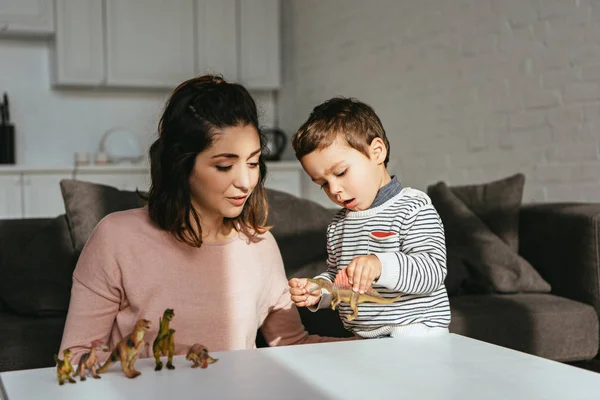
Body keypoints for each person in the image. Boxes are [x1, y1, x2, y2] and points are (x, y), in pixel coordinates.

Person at [59, 75, 346, 364]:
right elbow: (75, 358)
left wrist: (379, 348)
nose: (246, 182)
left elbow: (293, 343)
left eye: (253, 162)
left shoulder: (260, 245)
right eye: (224, 166)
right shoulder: (116, 238)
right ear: (182, 165)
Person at [288, 97, 450, 339]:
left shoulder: (413, 207)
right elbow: (339, 277)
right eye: (323, 184)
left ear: (377, 152)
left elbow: (431, 270)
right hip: (363, 336)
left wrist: (379, 265)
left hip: (416, 333)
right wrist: (319, 289)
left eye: (341, 173)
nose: (334, 189)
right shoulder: (338, 226)